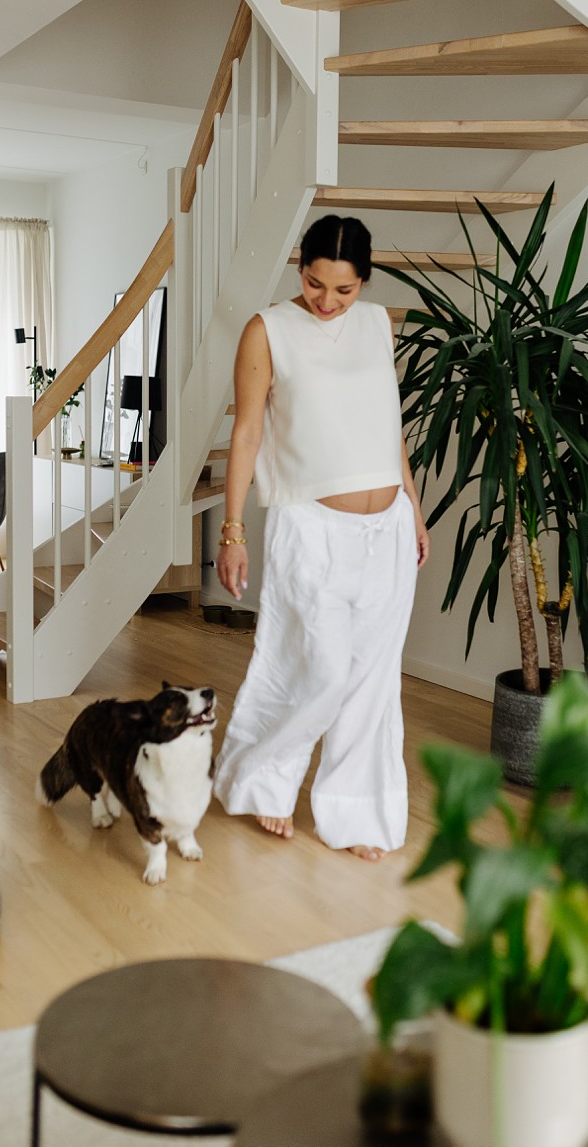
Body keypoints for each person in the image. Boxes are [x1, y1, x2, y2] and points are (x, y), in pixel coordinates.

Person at [211, 214, 430, 862]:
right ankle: (260, 780)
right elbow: (248, 433)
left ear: (364, 280)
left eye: (344, 289)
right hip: (311, 528)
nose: (327, 302)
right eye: (314, 284)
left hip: (386, 528)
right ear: (299, 266)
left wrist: (413, 507)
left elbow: (387, 426)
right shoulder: (268, 330)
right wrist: (232, 530)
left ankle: (357, 813)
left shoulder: (376, 323)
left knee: (371, 679)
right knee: (322, 670)